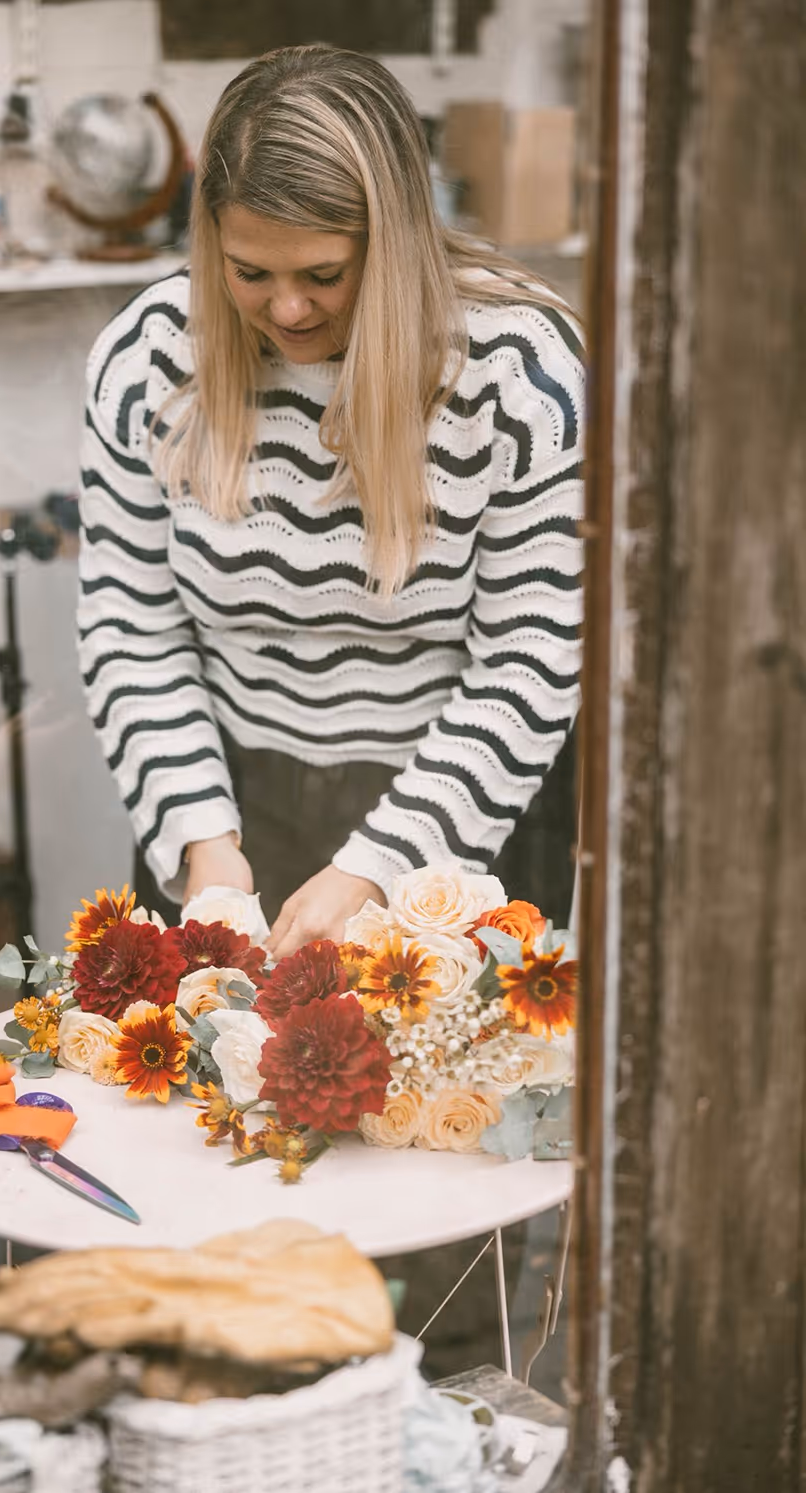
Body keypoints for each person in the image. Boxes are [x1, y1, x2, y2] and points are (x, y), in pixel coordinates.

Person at [77, 44, 584, 960]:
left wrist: (382, 864)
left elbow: (531, 656)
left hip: (461, 800)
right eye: (249, 272)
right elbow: (130, 626)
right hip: (227, 797)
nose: (288, 310)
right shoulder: (149, 359)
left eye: (323, 275)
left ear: (392, 242)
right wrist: (204, 847)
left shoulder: (518, 376)